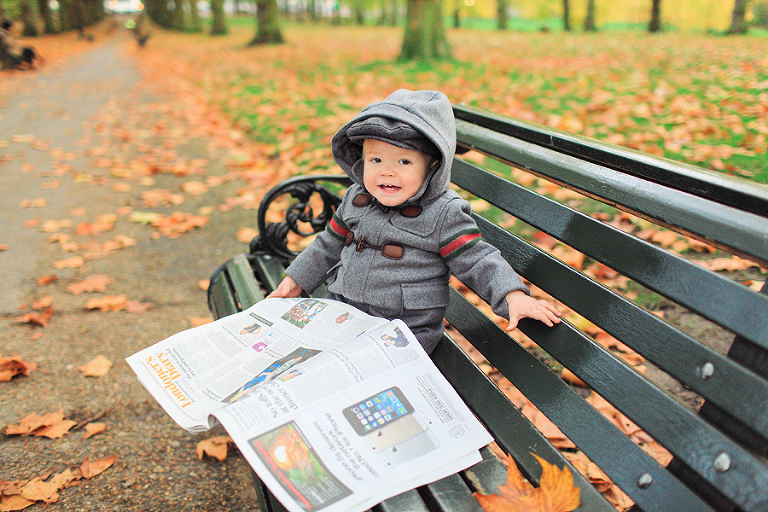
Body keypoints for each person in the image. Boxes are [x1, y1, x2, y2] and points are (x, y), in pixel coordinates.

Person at [268, 89, 561, 353]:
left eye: (404, 162)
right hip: (346, 313)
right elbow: (327, 244)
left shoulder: (443, 213)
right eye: (376, 160)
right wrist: (296, 281)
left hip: (404, 330)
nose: (387, 172)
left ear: (432, 167)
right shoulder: (357, 197)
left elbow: (477, 259)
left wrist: (512, 296)